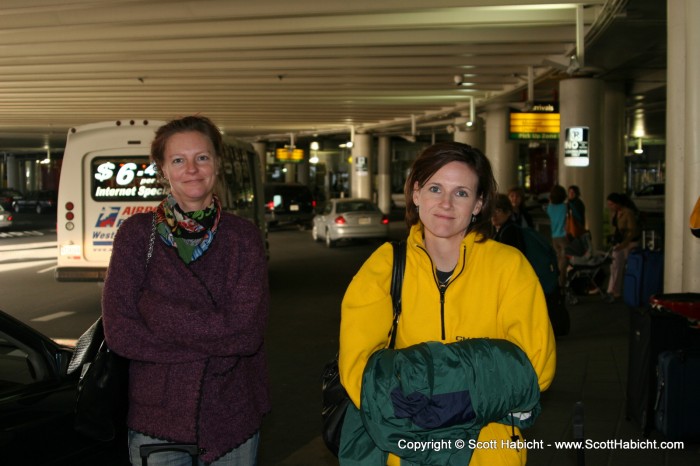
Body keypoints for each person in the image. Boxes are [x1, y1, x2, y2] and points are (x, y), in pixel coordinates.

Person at [339, 142, 556, 466]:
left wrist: (415, 384)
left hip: (488, 454)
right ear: (416, 193)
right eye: (435, 188)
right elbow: (360, 372)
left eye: (461, 193)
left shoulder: (509, 266)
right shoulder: (384, 266)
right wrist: (480, 381)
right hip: (404, 454)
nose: (445, 203)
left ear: (479, 203)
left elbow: (534, 368)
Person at [102, 115, 270, 466]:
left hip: (231, 415)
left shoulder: (244, 237)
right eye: (178, 160)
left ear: (217, 163)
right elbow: (120, 332)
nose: (191, 169)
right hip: (156, 420)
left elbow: (247, 335)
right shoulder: (136, 235)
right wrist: (212, 340)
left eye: (202, 157)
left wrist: (156, 311)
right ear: (163, 170)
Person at [606, 192, 641, 301]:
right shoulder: (615, 213)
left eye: (611, 204)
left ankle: (627, 290)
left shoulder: (628, 213)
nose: (609, 207)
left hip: (629, 242)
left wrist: (623, 244)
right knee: (615, 265)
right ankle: (613, 291)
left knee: (628, 266)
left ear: (618, 203)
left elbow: (632, 231)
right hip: (620, 242)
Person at [546, 184, 569, 287]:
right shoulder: (565, 207)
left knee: (555, 261)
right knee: (563, 263)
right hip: (563, 237)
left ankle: (555, 282)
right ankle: (562, 283)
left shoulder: (549, 208)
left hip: (552, 237)